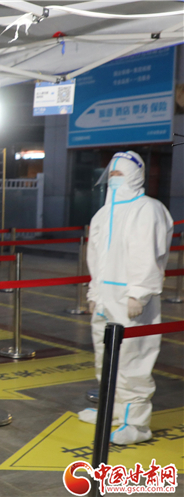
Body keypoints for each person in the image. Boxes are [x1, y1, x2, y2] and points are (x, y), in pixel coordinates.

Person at [80, 150, 173, 445]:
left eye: (120, 173)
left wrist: (139, 294)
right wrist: (95, 293)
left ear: (136, 175)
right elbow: (95, 257)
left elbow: (148, 254)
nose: (114, 179)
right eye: (112, 174)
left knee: (133, 360)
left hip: (133, 301)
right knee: (105, 358)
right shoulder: (103, 214)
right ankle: (112, 411)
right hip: (106, 299)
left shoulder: (148, 209)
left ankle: (136, 423)